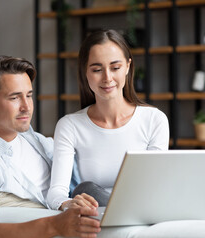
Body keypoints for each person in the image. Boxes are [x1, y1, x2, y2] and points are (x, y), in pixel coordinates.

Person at [0, 56, 101, 238]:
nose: (26, 107)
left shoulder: (27, 135)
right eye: (14, 97)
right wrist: (55, 224)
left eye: (28, 95)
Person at [46, 29, 170, 211]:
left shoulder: (154, 119)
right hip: (100, 212)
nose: (107, 78)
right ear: (84, 72)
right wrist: (68, 203)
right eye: (97, 70)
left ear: (128, 67)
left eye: (115, 68)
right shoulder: (70, 126)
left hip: (144, 208)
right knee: (85, 190)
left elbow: (154, 185)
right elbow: (56, 193)